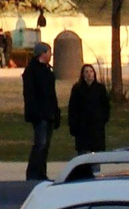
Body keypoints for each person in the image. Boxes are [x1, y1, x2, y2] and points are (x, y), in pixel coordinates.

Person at [21, 47, 61, 180]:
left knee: (46, 146)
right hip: (39, 114)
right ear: (42, 53)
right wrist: (34, 112)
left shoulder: (47, 71)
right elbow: (30, 94)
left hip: (49, 112)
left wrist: (56, 112)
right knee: (40, 144)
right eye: (49, 52)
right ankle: (33, 173)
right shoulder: (32, 71)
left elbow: (52, 94)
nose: (51, 55)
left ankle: (41, 172)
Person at [67, 63, 111, 156]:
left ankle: (95, 170)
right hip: (82, 127)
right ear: (82, 74)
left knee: (96, 154)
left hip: (96, 127)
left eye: (91, 71)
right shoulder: (77, 89)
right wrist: (73, 124)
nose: (89, 74)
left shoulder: (100, 88)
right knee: (83, 153)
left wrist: (103, 119)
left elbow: (106, 106)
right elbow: (72, 108)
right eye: (86, 72)